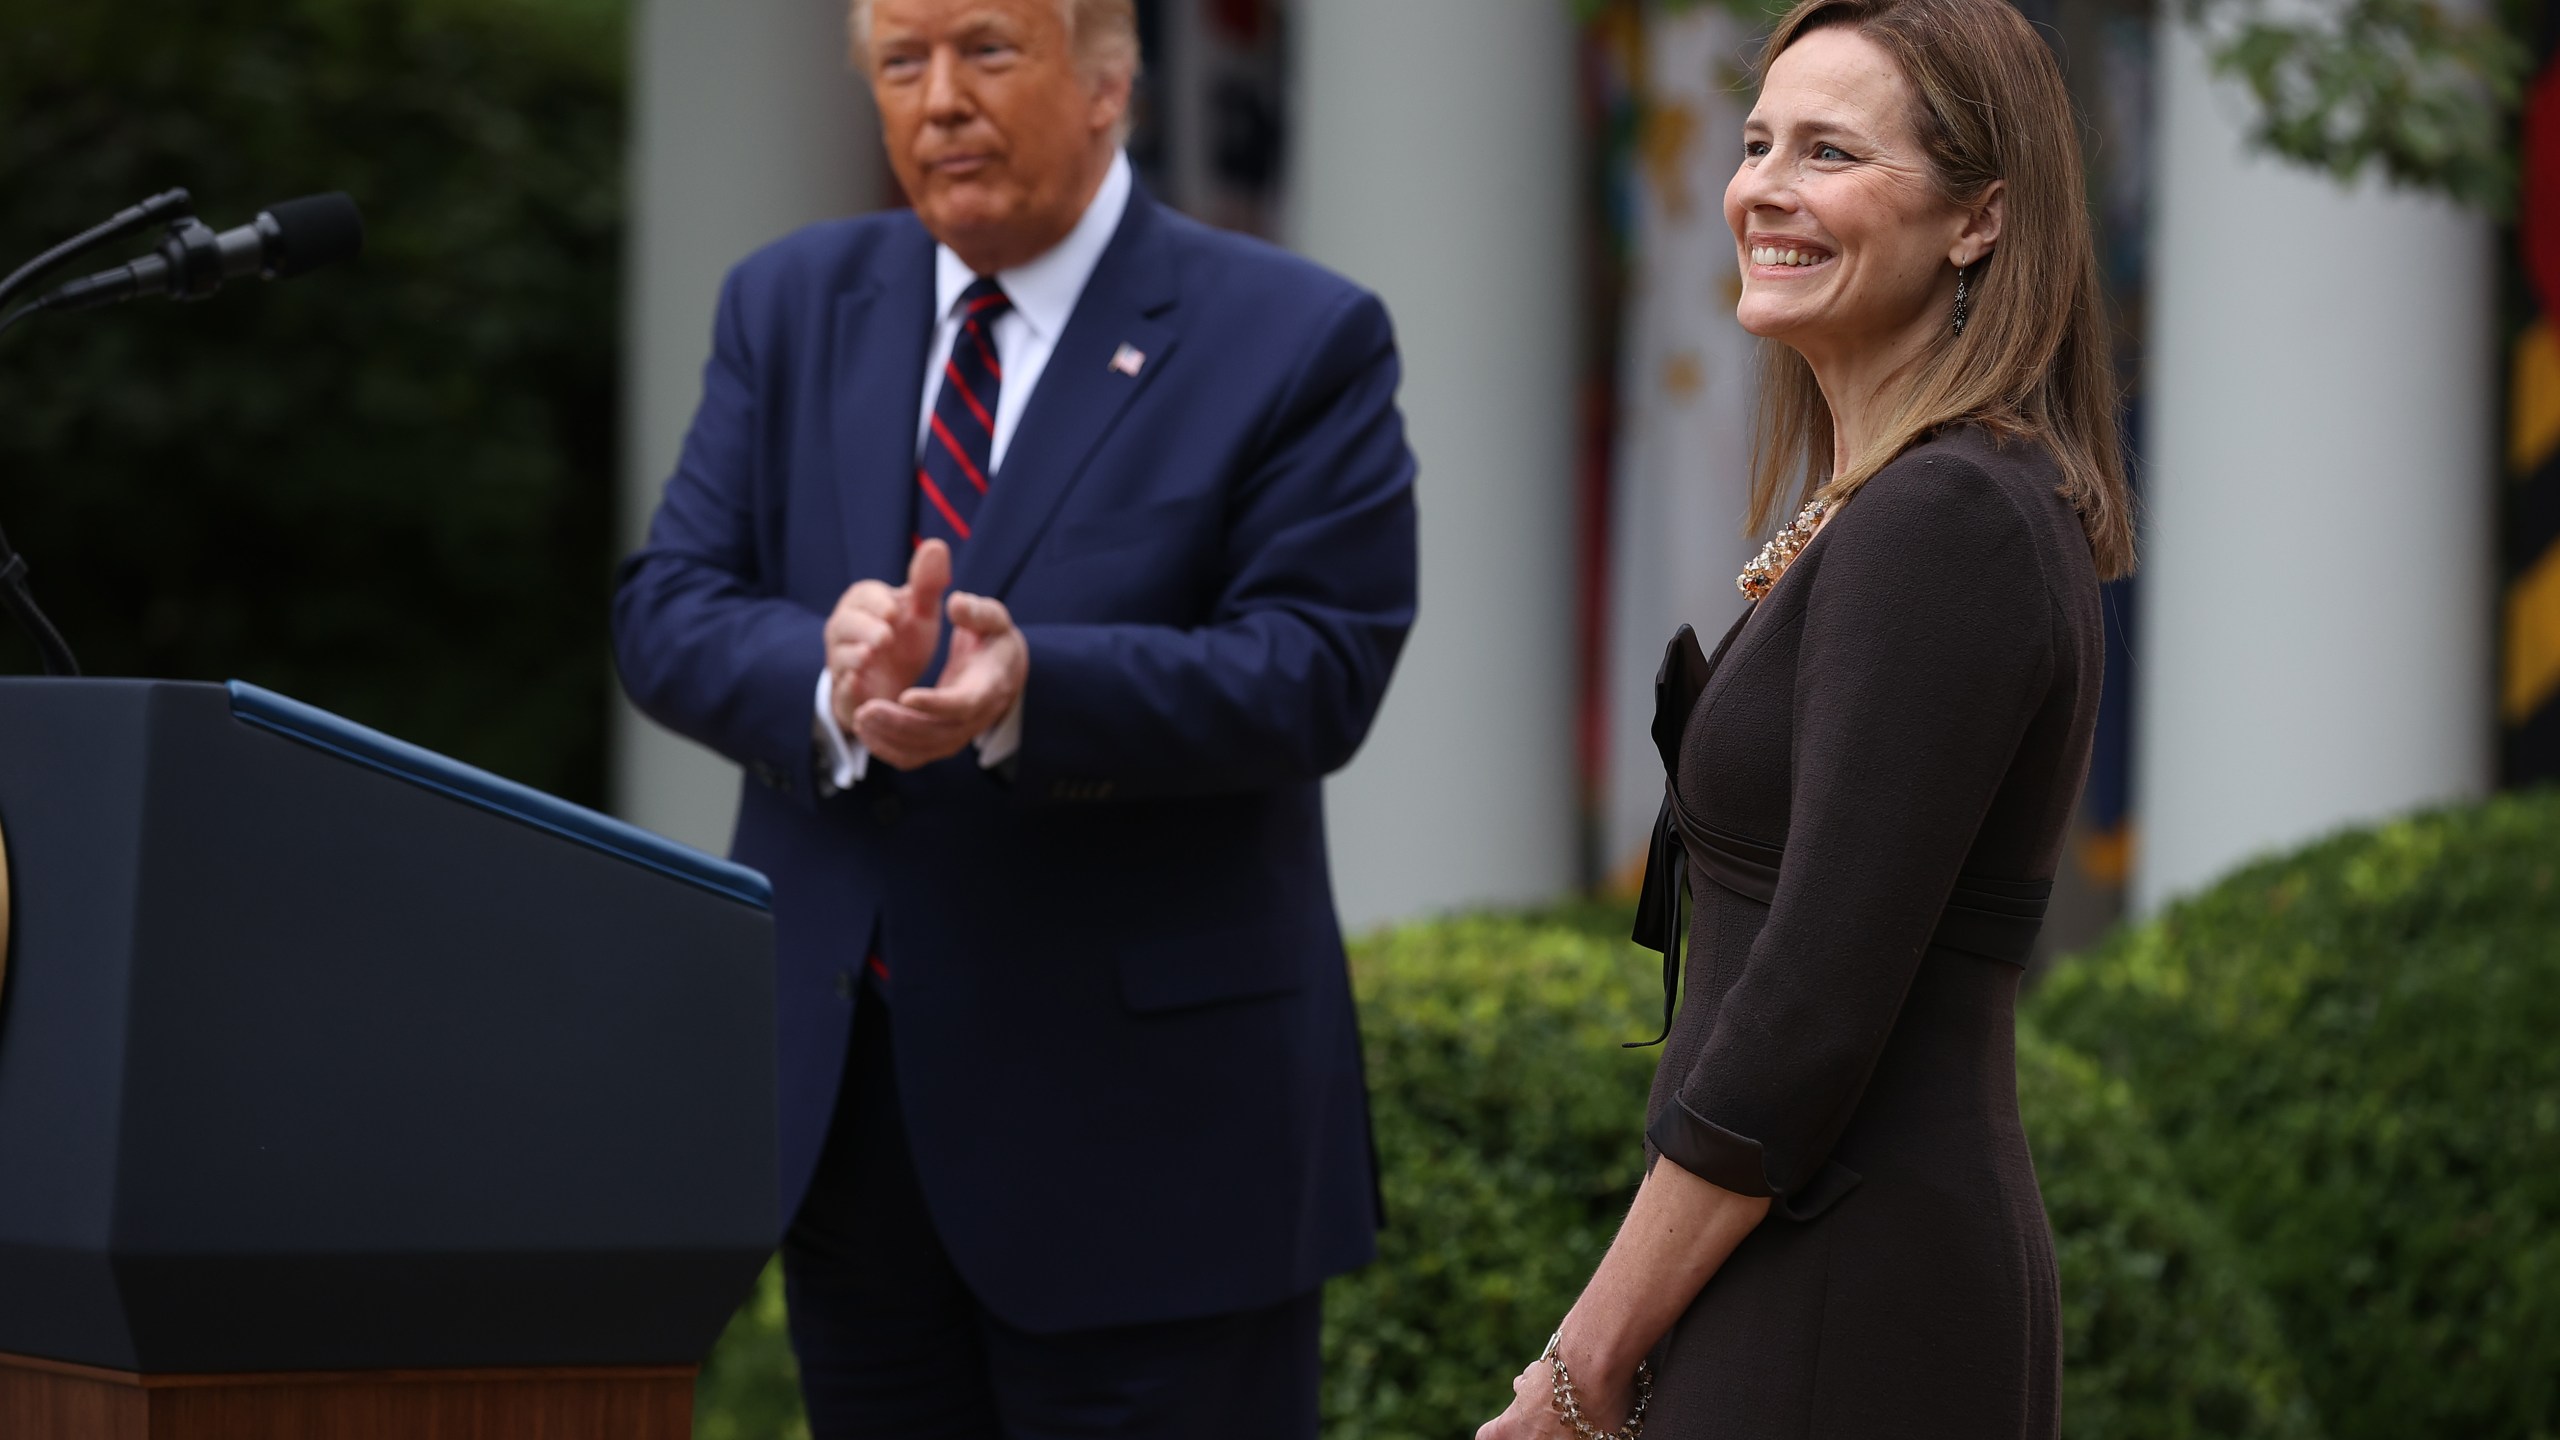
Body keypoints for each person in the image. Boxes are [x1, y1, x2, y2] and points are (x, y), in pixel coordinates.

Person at [611, 0, 1418, 1433]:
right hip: (854, 1133)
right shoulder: (788, 303)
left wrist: (1036, 688)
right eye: (901, 64)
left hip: (1154, 1152)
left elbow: (1315, 670)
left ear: (1110, 83)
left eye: (986, 51)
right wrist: (825, 672)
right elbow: (668, 606)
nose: (940, 102)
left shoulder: (1296, 336)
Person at [1477, 0, 2133, 1435]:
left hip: (1845, 1289)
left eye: (1829, 151)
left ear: (1979, 221)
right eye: (1758, 139)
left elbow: (1807, 1012)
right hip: (1810, 1263)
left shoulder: (1947, 518)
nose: (1763, 186)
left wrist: (1578, 1374)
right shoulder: (1900, 507)